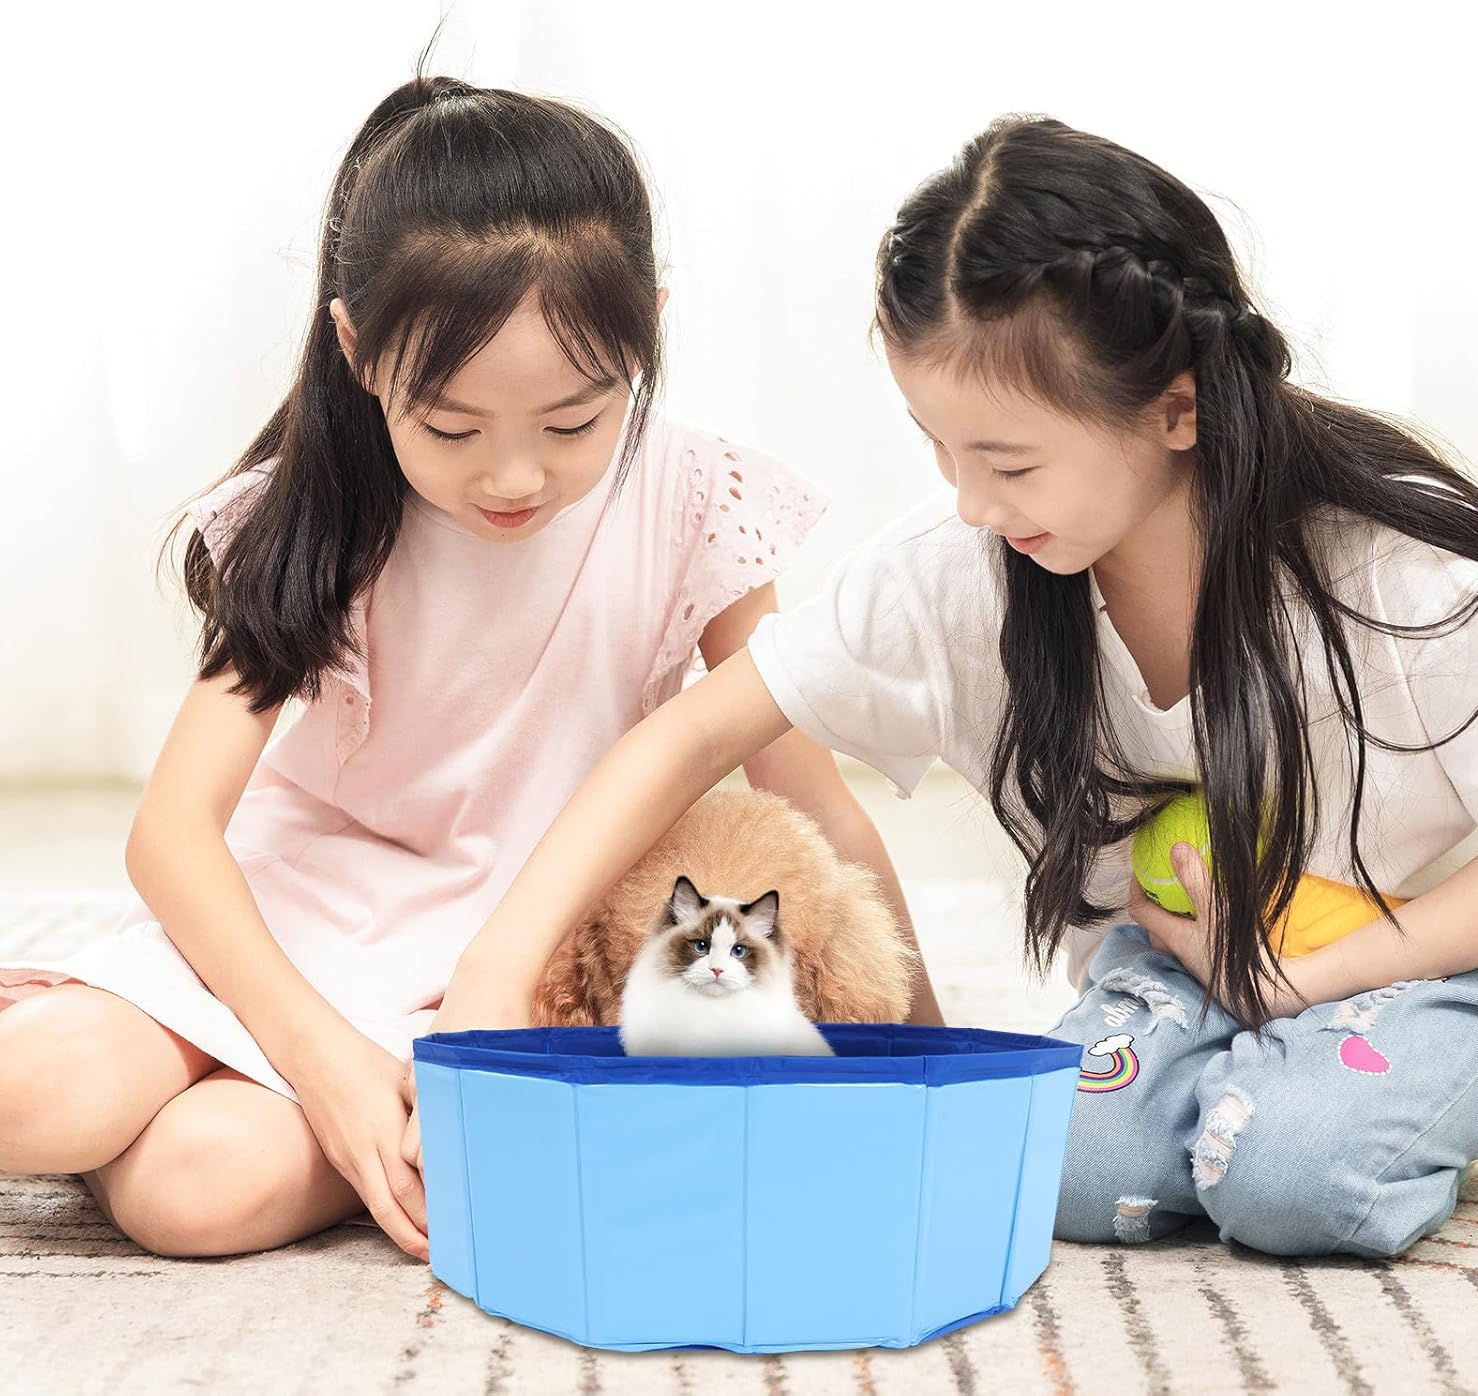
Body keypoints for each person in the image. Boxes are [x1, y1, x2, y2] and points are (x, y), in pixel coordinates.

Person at [429, 115, 1478, 1259]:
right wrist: (493, 972)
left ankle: (1327, 1091)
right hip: (1182, 959)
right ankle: (1248, 1086)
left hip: (1423, 949)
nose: (973, 501)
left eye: (1010, 461)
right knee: (1068, 1176)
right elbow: (693, 735)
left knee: (1294, 1179)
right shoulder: (958, 570)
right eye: (940, 449)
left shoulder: (1403, 575)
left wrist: (1318, 978)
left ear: (1177, 406)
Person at [0, 71, 938, 1264]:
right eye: (450, 427)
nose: (512, 477)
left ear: (645, 328)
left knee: (197, 1194)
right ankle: (153, 1053)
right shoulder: (319, 507)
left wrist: (927, 1049)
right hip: (294, 918)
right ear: (357, 348)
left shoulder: (699, 500)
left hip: (515, 955)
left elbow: (808, 793)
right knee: (36, 1091)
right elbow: (174, 829)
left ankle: (192, 1105)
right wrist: (324, 1063)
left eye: (572, 424)